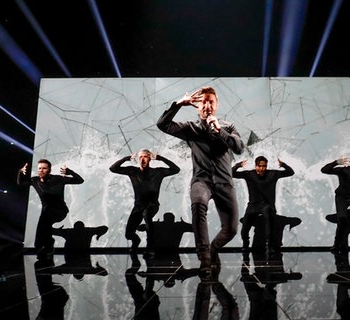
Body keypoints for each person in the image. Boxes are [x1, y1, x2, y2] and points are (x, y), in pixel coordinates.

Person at [157, 86, 245, 277]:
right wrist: (178, 104)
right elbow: (163, 125)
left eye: (210, 101)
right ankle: (204, 257)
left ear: (216, 105)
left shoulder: (228, 127)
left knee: (231, 229)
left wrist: (219, 130)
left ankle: (213, 249)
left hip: (224, 183)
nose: (206, 105)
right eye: (203, 102)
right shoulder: (191, 128)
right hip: (201, 181)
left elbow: (239, 148)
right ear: (198, 106)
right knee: (198, 204)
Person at [109, 149, 180, 256]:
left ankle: (150, 247)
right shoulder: (133, 171)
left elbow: (176, 169)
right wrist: (126, 159)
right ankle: (136, 241)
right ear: (138, 159)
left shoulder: (157, 172)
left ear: (150, 159)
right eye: (140, 157)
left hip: (152, 205)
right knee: (128, 234)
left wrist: (160, 158)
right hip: (138, 207)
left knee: (146, 215)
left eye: (145, 157)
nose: (142, 159)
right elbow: (113, 169)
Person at [17, 159, 84, 259]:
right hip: (46, 212)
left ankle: (48, 245)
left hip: (60, 211)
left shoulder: (58, 179)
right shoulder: (34, 180)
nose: (41, 170)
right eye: (39, 168)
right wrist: (20, 172)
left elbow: (80, 181)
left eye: (44, 168)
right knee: (41, 230)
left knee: (45, 223)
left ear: (49, 170)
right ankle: (44, 250)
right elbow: (20, 183)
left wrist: (70, 172)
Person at [232, 156, 294, 256]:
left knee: (268, 219)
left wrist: (283, 165)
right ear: (256, 166)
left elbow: (290, 172)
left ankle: (269, 247)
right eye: (259, 166)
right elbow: (231, 173)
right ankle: (245, 245)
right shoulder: (249, 174)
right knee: (244, 230)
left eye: (264, 166)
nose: (262, 169)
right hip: (253, 206)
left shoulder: (272, 174)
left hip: (267, 205)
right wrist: (238, 165)